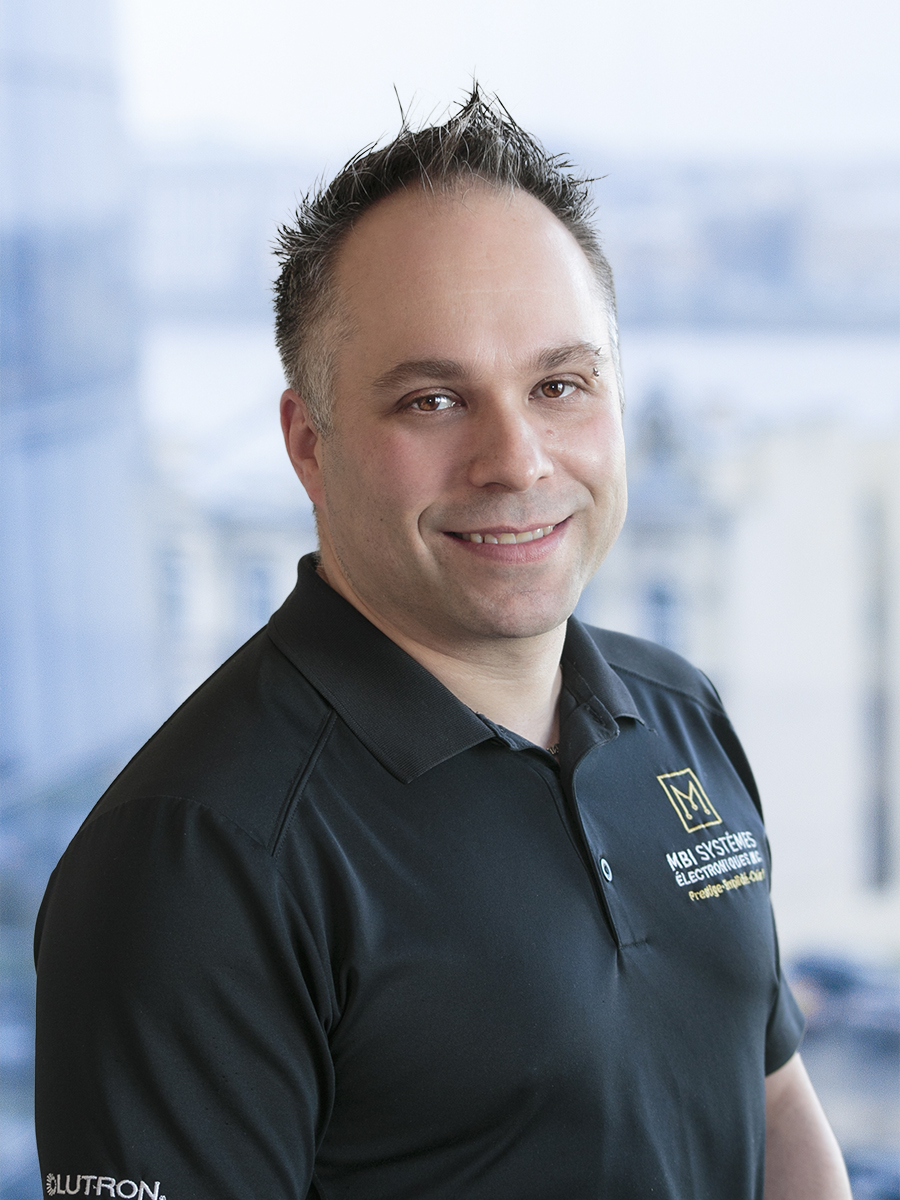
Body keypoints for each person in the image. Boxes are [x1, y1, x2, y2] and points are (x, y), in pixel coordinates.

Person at [35, 90, 851, 1200]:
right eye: (432, 400)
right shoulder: (197, 858)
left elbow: (770, 1102)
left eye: (560, 385)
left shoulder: (676, 710)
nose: (515, 460)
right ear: (308, 443)